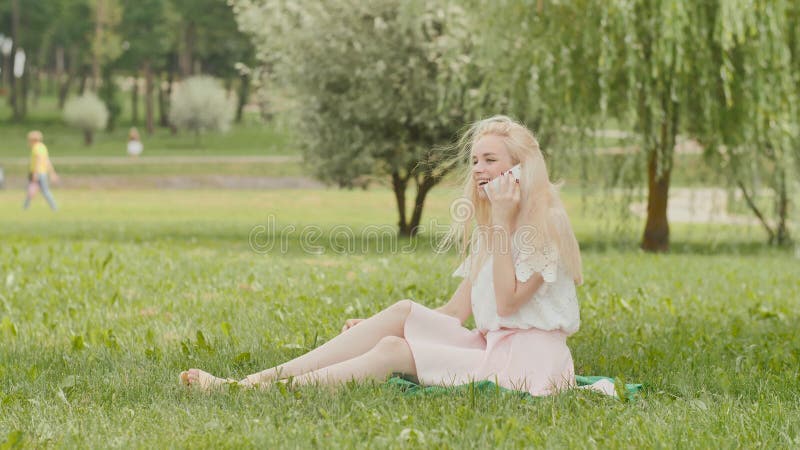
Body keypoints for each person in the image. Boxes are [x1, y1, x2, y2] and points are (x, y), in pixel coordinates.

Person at [180, 115, 584, 396]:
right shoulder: (495, 224)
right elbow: (455, 312)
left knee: (393, 353)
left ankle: (254, 392)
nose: (478, 169)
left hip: (526, 364)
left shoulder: (544, 224)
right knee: (402, 314)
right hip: (490, 344)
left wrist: (500, 220)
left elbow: (510, 303)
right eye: (475, 160)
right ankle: (252, 382)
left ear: (519, 169)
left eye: (490, 160)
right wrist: (371, 327)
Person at [23, 130, 59, 211]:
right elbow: (47, 160)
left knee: (42, 190)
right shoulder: (43, 147)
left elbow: (38, 160)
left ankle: (54, 207)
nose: (28, 142)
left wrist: (35, 173)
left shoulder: (36, 148)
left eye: (29, 140)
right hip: (43, 172)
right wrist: (52, 172)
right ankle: (25, 207)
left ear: (33, 140)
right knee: (33, 189)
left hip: (37, 173)